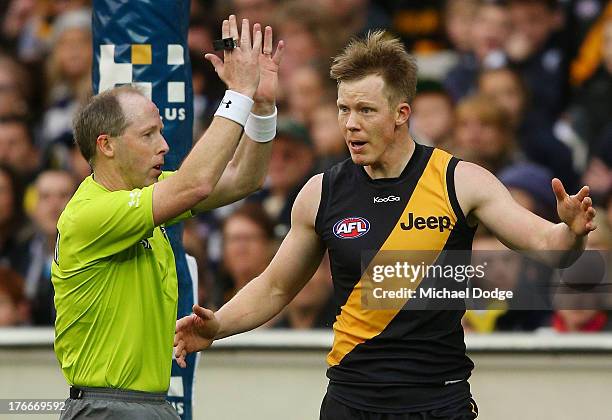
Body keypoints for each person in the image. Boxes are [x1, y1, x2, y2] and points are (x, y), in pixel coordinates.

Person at [174, 31, 596, 419]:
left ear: (401, 114)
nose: (350, 123)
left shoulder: (459, 181)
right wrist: (219, 325)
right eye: (342, 109)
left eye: (365, 110)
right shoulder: (321, 192)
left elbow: (549, 245)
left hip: (438, 399)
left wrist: (571, 232)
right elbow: (277, 286)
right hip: (350, 398)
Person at [52, 16, 284, 419]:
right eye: (148, 135)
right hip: (108, 408)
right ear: (105, 146)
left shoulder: (144, 197)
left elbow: (243, 179)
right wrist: (240, 94)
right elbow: (197, 184)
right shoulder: (91, 213)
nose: (163, 146)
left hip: (147, 406)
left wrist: (261, 109)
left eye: (161, 132)